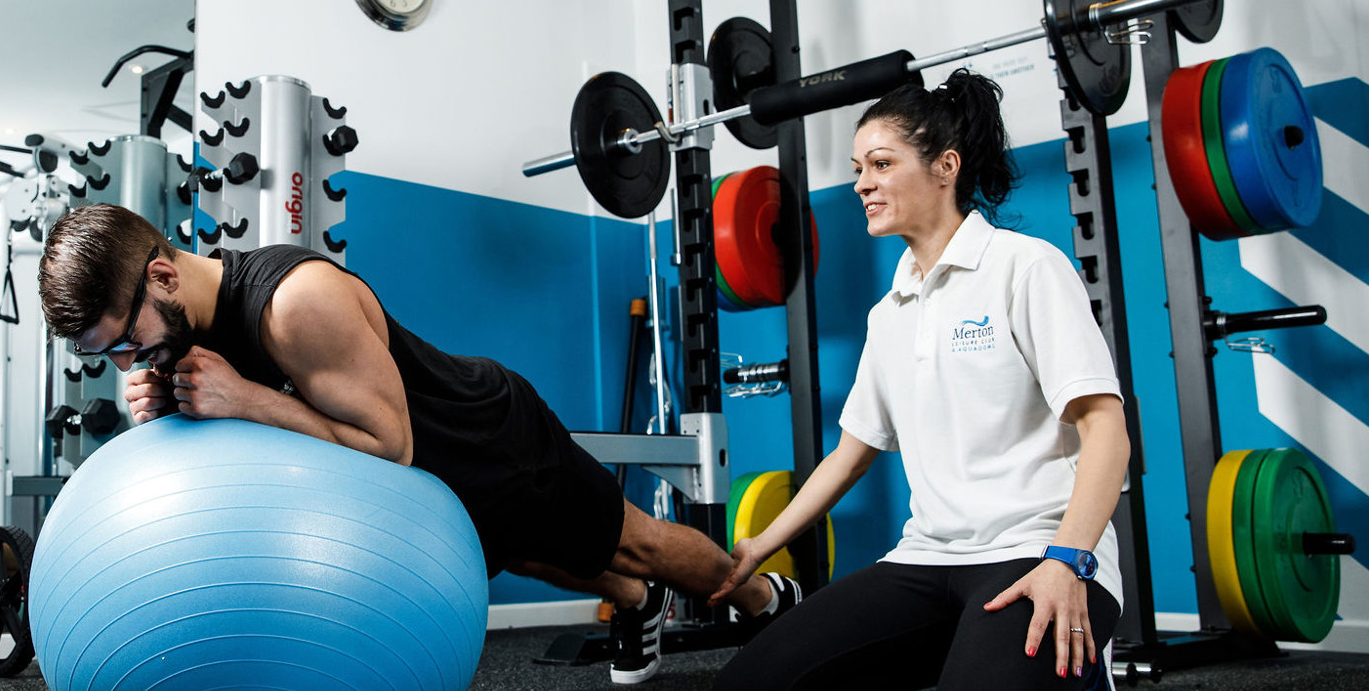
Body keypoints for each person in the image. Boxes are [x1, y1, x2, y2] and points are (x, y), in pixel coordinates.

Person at [39, 204, 799, 684]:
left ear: (163, 275)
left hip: (487, 441)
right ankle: (638, 603)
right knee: (543, 559)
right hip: (431, 496)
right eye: (112, 358)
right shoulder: (185, 329)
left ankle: (771, 601)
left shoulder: (293, 304)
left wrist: (245, 399)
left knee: (631, 543)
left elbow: (389, 448)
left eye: (127, 343)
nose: (131, 362)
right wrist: (164, 401)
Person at [710, 69, 1130, 690]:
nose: (862, 184)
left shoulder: (1024, 267)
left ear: (945, 166)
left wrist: (1068, 561)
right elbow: (850, 455)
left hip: (1038, 551)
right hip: (927, 558)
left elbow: (1106, 429)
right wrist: (758, 545)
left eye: (880, 164)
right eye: (858, 168)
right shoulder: (891, 312)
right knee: (748, 684)